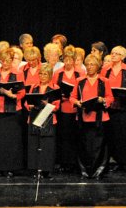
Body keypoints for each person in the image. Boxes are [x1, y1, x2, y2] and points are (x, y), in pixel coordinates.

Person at [70, 54, 113, 179]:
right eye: (88, 64)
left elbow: (110, 97)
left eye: (92, 64)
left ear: (98, 66)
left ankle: (98, 170)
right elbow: (72, 97)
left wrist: (103, 99)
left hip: (100, 117)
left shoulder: (104, 81)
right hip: (83, 116)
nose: (89, 67)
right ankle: (85, 170)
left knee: (98, 145)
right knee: (84, 145)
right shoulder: (80, 81)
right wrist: (77, 102)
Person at [100, 46, 126, 174]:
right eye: (112, 53)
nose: (113, 55)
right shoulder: (106, 69)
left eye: (117, 54)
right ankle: (117, 161)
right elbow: (101, 85)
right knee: (114, 135)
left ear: (123, 57)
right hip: (111, 107)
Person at [0, 47, 26, 178]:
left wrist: (11, 95)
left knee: (12, 141)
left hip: (12, 112)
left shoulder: (18, 73)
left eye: (9, 60)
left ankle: (11, 168)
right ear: (0, 60)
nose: (6, 63)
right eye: (3, 60)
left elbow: (22, 92)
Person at [25, 63, 60, 179]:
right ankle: (35, 169)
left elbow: (57, 106)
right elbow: (27, 102)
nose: (42, 76)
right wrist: (29, 106)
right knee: (34, 144)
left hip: (48, 118)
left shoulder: (55, 88)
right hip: (34, 116)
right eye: (41, 73)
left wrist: (47, 104)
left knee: (47, 145)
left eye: (45, 74)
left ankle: (46, 170)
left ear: (50, 75)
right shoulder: (33, 86)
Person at [52, 45, 83, 173]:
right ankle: (63, 161)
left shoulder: (80, 73)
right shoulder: (58, 73)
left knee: (75, 136)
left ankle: (74, 162)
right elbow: (53, 90)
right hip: (62, 108)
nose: (68, 62)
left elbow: (83, 90)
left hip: (75, 108)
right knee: (63, 136)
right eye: (66, 60)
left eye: (71, 60)